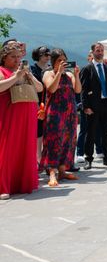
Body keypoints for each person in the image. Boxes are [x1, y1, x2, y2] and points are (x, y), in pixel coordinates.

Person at [0, 43, 43, 198]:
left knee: (26, 147)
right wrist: (16, 76)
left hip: (28, 114)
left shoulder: (25, 72)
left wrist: (29, 76)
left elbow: (40, 89)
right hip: (9, 114)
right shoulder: (1, 70)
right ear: (4, 58)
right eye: (13, 57)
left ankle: (23, 182)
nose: (17, 60)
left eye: (19, 57)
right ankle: (4, 186)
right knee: (7, 148)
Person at [41, 49, 81, 186]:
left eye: (64, 59)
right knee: (54, 142)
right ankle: (52, 172)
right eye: (59, 60)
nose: (62, 62)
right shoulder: (48, 73)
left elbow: (78, 90)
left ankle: (63, 170)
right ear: (53, 62)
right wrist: (58, 73)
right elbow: (51, 89)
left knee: (68, 142)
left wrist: (76, 75)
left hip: (70, 113)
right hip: (55, 113)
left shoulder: (69, 74)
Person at [80, 43, 107, 169]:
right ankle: (88, 159)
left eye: (102, 50)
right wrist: (85, 106)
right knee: (91, 133)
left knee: (106, 133)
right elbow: (83, 89)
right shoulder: (87, 69)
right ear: (92, 52)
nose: (100, 52)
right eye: (98, 50)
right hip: (93, 106)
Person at [31, 45, 50, 163]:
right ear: (39, 56)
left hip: (49, 102)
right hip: (37, 103)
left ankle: (45, 158)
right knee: (38, 132)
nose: (48, 56)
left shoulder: (50, 69)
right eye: (45, 54)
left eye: (49, 54)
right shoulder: (33, 69)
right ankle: (37, 158)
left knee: (47, 132)